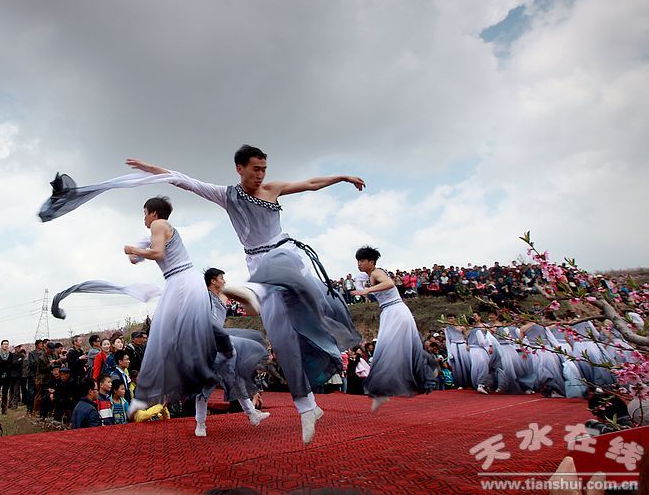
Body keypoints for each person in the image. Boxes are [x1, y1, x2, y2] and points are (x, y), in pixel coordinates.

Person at [38, 145, 364, 445]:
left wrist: (342, 177)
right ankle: (307, 406)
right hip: (258, 265)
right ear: (239, 168)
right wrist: (151, 170)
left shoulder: (272, 189)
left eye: (264, 169)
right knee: (280, 335)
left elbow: (310, 183)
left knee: (303, 300)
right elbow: (183, 180)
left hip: (282, 255)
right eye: (255, 169)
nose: (261, 174)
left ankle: (310, 311)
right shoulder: (226, 195)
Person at [51, 197, 220, 419]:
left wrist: (133, 249)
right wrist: (135, 253)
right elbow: (138, 257)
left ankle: (149, 393)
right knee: (169, 337)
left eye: (145, 213)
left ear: (154, 214)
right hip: (182, 281)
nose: (144, 218)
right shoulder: (156, 232)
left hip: (181, 281)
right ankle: (180, 379)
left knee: (161, 336)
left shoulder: (159, 225)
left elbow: (157, 253)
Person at [352, 246, 437, 410]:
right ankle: (383, 391)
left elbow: (389, 283)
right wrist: (362, 285)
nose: (359, 264)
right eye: (358, 261)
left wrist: (367, 289)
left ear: (371, 261)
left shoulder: (377, 272)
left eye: (362, 260)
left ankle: (381, 392)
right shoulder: (370, 277)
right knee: (397, 349)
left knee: (386, 351)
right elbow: (372, 294)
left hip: (395, 311)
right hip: (390, 312)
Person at [194, 267, 270, 438]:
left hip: (222, 341)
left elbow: (249, 306)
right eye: (221, 278)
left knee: (236, 378)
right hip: (207, 344)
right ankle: (200, 423)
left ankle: (252, 414)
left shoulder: (224, 295)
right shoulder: (203, 297)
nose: (224, 280)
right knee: (206, 385)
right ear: (213, 280)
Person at [0, 339, 17, 414]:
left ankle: (4, 409)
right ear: (1, 345)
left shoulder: (11, 355)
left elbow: (11, 364)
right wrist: (6, 364)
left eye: (7, 344)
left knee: (5, 393)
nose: (6, 345)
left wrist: (3, 363)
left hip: (7, 376)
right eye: (4, 344)